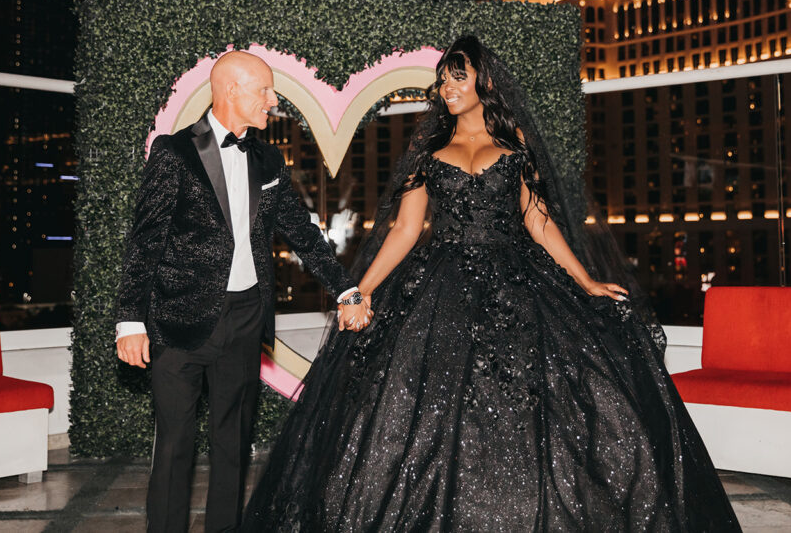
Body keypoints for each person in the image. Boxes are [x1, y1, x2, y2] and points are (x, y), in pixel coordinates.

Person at [242, 36, 741, 531]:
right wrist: (362, 290)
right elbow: (406, 230)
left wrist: (586, 280)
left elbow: (538, 221)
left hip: (517, 282)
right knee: (426, 412)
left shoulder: (516, 144)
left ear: (485, 81)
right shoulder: (430, 150)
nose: (448, 86)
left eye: (458, 76)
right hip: (441, 287)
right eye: (443, 78)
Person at [115, 50, 364, 533]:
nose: (273, 101)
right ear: (231, 90)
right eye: (265, 91)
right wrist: (130, 320)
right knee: (174, 446)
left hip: (247, 316)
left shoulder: (268, 158)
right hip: (177, 321)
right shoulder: (173, 152)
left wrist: (345, 288)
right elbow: (145, 241)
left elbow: (302, 233)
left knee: (233, 443)